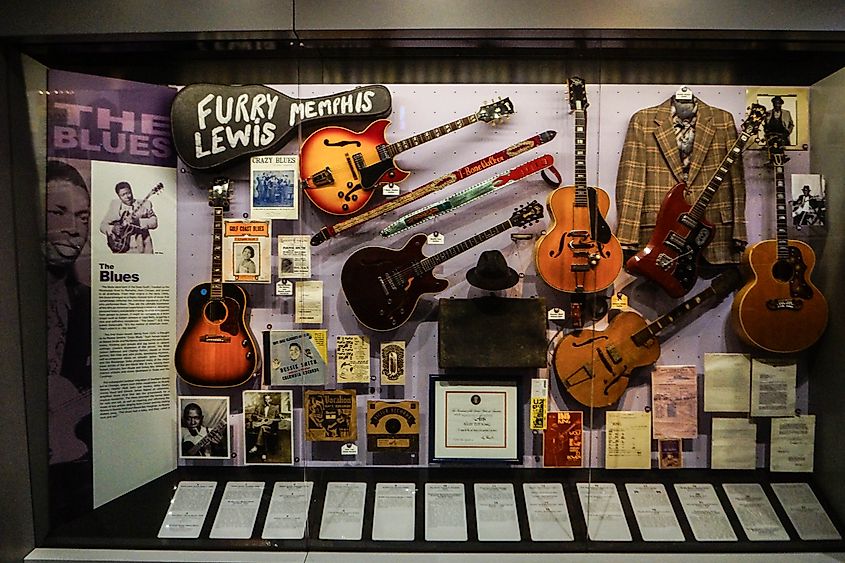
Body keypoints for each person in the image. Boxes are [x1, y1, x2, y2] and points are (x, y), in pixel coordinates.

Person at [46, 159, 93, 523]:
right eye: (58, 212)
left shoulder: (86, 303)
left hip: (72, 476)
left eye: (82, 217)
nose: (74, 229)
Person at [99, 181, 158, 253]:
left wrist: (137, 222)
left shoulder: (145, 204)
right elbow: (102, 225)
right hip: (122, 248)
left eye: (128, 193)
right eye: (123, 195)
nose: (127, 196)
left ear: (131, 191)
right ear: (119, 196)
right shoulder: (115, 206)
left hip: (143, 247)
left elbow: (154, 222)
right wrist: (112, 229)